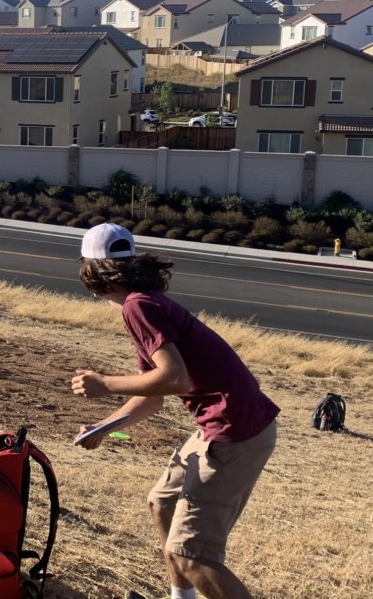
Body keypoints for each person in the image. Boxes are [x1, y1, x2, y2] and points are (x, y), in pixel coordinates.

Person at [70, 223, 280, 599]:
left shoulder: (138, 306)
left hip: (234, 432)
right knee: (162, 503)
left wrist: (105, 384)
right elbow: (154, 395)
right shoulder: (145, 302)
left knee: (192, 555)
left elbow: (174, 378)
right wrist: (103, 426)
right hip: (228, 425)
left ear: (92, 271)